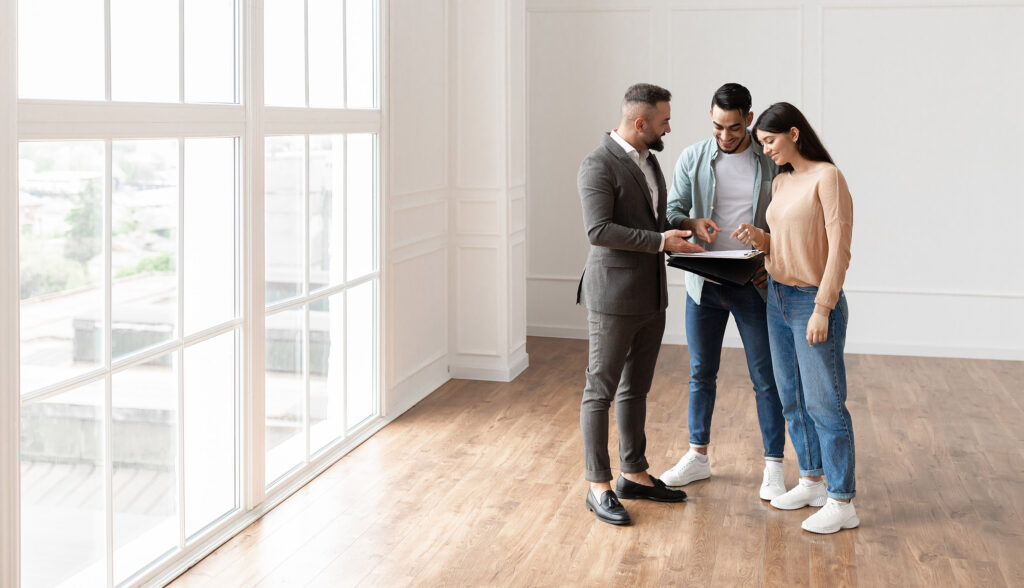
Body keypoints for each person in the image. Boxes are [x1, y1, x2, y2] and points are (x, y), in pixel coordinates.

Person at [577, 83, 702, 526]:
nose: (670, 127)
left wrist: (684, 225)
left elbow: (654, 222)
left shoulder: (650, 161)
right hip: (612, 297)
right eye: (664, 120)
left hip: (651, 294)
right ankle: (598, 485)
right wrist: (658, 241)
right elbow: (599, 231)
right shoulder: (597, 165)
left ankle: (634, 472)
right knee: (601, 390)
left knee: (636, 389)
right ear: (640, 122)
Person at [732, 101, 857, 534]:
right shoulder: (783, 182)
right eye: (762, 143)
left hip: (810, 300)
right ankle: (812, 480)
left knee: (825, 403)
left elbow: (838, 249)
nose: (765, 149)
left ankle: (842, 501)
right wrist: (760, 239)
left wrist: (823, 307)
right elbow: (788, 241)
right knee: (791, 397)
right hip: (777, 298)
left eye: (770, 141)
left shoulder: (828, 177)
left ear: (794, 133)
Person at [659, 83, 787, 501]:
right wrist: (694, 223)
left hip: (754, 283)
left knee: (766, 378)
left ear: (748, 119)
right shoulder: (693, 157)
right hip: (705, 283)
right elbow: (672, 211)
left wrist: (771, 256)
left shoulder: (770, 162)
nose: (725, 136)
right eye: (717, 127)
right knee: (701, 373)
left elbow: (790, 221)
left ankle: (773, 466)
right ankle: (698, 456)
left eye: (733, 128)